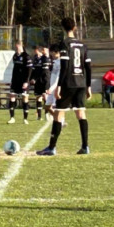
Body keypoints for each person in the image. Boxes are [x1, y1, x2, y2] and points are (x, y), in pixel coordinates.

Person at [37, 17, 91, 155]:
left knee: (58, 113)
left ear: (63, 28)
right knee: (81, 113)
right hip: (81, 83)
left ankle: (51, 148)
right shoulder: (82, 45)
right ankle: (85, 146)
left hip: (69, 83)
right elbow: (88, 66)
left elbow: (65, 66)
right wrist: (88, 85)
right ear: (75, 27)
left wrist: (59, 86)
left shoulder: (64, 44)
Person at [8, 41, 32, 124]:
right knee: (12, 96)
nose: (16, 48)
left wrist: (26, 81)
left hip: (23, 81)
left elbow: (29, 70)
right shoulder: (15, 56)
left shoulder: (26, 56)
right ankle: (12, 118)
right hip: (15, 81)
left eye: (17, 46)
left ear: (20, 46)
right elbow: (15, 69)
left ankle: (25, 119)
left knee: (25, 98)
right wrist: (12, 80)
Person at [29, 45, 51, 120]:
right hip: (37, 81)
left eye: (35, 50)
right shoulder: (35, 59)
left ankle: (47, 114)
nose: (34, 52)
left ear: (39, 50)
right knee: (38, 97)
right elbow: (33, 70)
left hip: (44, 80)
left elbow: (44, 71)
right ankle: (39, 116)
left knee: (45, 96)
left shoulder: (45, 58)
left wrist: (35, 78)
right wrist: (32, 78)